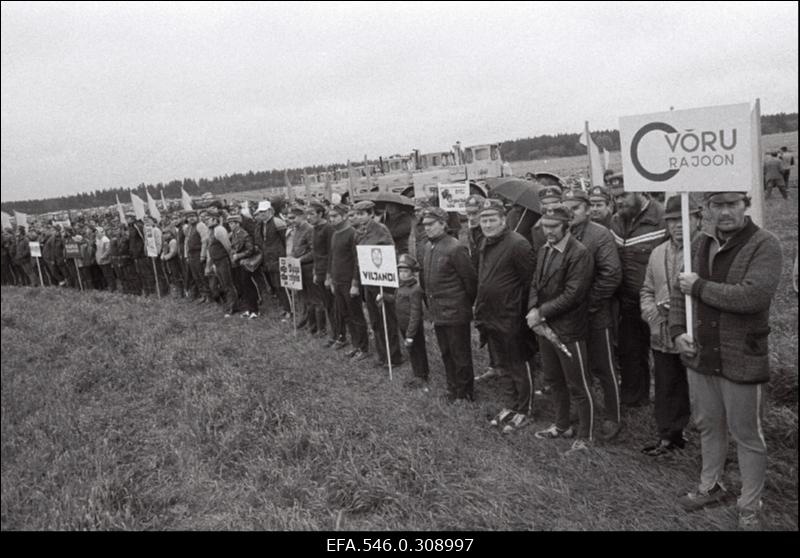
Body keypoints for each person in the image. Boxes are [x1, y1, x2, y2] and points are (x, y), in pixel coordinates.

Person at [669, 191, 782, 530]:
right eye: (717, 205)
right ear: (706, 209)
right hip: (702, 353)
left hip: (742, 355)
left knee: (747, 433)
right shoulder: (699, 243)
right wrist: (678, 332)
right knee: (708, 424)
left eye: (733, 204)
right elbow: (679, 291)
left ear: (746, 205)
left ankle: (750, 504)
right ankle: (711, 485)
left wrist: (700, 287)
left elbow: (753, 296)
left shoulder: (765, 244)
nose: (725, 212)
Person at [526, 205, 595, 453]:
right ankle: (562, 425)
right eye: (545, 226)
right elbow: (535, 283)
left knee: (578, 384)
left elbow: (574, 294)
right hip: (545, 327)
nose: (548, 231)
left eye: (554, 226)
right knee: (554, 379)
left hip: (569, 328)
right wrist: (533, 309)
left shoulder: (579, 253)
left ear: (567, 226)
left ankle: (586, 435)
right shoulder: (544, 249)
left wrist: (541, 312)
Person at [639, 196, 702, 456]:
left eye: (684, 219)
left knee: (701, 390)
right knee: (666, 385)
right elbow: (647, 289)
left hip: (695, 333)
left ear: (698, 219)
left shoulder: (705, 250)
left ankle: (708, 441)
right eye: (672, 220)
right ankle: (669, 437)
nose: (678, 225)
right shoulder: (658, 252)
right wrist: (652, 312)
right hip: (662, 332)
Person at [563, 188, 623, 440]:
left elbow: (611, 274)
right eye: (566, 208)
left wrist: (589, 303)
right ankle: (583, 408)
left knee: (604, 366)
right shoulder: (561, 234)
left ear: (588, 210)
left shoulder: (599, 235)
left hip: (596, 313)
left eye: (575, 208)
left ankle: (613, 416)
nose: (570, 213)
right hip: (569, 314)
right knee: (577, 365)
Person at [474, 199, 536, 433]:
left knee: (519, 363)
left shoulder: (518, 244)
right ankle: (511, 403)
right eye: (484, 220)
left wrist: (523, 312)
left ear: (503, 220)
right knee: (502, 364)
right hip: (491, 314)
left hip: (512, 315)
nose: (487, 224)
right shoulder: (484, 242)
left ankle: (525, 409)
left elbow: (530, 282)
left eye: (492, 219)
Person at [609, 176, 666, 407]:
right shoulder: (616, 220)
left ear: (641, 191)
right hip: (627, 301)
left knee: (663, 353)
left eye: (623, 195)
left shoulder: (662, 219)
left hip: (657, 302)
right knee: (630, 351)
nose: (618, 201)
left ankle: (666, 401)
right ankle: (634, 399)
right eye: (615, 197)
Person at [420, 207, 477, 402]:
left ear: (443, 224)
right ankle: (452, 387)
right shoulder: (428, 246)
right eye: (425, 225)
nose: (427, 228)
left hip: (455, 311)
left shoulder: (455, 247)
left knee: (460, 353)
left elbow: (470, 280)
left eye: (431, 224)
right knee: (446, 352)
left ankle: (465, 393)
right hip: (438, 311)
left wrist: (464, 304)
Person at [353, 200, 403, 368]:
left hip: (382, 280)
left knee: (387, 319)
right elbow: (358, 257)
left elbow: (390, 252)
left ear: (371, 214)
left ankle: (393, 357)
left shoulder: (380, 229)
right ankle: (382, 355)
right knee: (375, 320)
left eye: (362, 214)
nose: (359, 217)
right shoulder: (359, 232)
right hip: (368, 280)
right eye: (357, 214)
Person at [326, 202, 369, 360]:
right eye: (330, 217)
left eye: (335, 216)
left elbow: (358, 261)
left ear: (344, 216)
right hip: (337, 281)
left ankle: (363, 348)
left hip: (349, 282)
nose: (331, 219)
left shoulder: (352, 234)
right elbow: (332, 257)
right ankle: (355, 344)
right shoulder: (335, 234)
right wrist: (330, 277)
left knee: (356, 315)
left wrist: (355, 284)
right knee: (345, 314)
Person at [392, 254, 429, 390]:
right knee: (411, 350)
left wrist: (410, 334)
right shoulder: (399, 287)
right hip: (402, 325)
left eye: (406, 271)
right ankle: (416, 373)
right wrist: (384, 297)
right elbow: (395, 299)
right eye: (400, 271)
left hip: (413, 327)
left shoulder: (415, 289)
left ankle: (422, 375)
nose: (402, 274)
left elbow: (415, 313)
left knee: (418, 350)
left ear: (413, 272)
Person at [253, 200, 291, 318]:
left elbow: (285, 241)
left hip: (279, 258)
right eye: (260, 212)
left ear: (270, 211)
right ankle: (284, 307)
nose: (262, 214)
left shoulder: (278, 223)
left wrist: (285, 256)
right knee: (275, 285)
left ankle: (289, 309)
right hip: (268, 259)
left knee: (282, 285)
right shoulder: (261, 224)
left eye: (264, 211)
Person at [308, 201, 336, 341]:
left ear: (320, 214)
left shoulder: (328, 229)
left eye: (312, 214)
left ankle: (338, 333)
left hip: (327, 271)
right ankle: (333, 332)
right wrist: (315, 271)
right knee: (326, 303)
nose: (309, 217)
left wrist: (328, 276)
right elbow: (315, 252)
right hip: (319, 270)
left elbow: (331, 253)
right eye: (307, 214)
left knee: (332, 304)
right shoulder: (315, 228)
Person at [205, 212, 237, 317]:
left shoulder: (219, 230)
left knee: (228, 284)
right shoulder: (211, 231)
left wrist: (231, 259)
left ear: (215, 220)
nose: (206, 221)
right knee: (223, 284)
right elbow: (210, 248)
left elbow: (227, 246)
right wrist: (210, 264)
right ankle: (228, 304)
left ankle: (233, 306)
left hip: (223, 260)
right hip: (216, 261)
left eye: (208, 219)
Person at [228, 214, 259, 318]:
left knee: (248, 286)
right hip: (238, 264)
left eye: (232, 223)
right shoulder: (234, 234)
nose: (230, 225)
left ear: (238, 224)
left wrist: (238, 255)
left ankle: (254, 310)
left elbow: (250, 250)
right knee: (243, 286)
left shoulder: (244, 234)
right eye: (229, 224)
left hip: (246, 263)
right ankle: (248, 309)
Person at [94, 226, 115, 291]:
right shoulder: (97, 239)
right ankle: (108, 286)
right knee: (105, 275)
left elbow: (108, 250)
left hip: (105, 260)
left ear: (101, 232)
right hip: (99, 260)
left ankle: (113, 287)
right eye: (95, 232)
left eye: (97, 232)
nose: (96, 233)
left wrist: (103, 257)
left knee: (109, 274)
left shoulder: (105, 239)